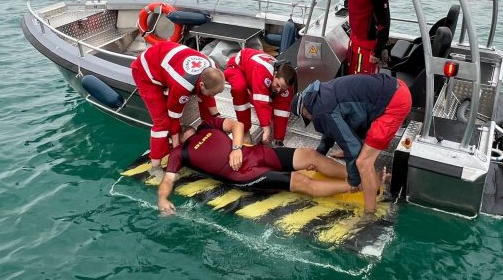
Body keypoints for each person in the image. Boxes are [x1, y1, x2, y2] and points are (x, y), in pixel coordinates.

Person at [157, 116, 351, 215]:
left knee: (310, 155)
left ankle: (354, 174)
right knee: (301, 181)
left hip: (254, 153)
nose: (184, 127)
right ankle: (355, 186)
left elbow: (237, 125)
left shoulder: (206, 125)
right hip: (243, 173)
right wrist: (163, 199)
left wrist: (236, 148)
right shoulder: (179, 153)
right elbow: (168, 180)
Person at [290, 74, 411, 214]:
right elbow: (330, 128)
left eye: (307, 117)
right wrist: (319, 154)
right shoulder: (319, 95)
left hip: (394, 101)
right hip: (394, 88)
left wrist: (353, 181)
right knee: (355, 147)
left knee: (362, 162)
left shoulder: (322, 110)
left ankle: (370, 215)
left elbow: (352, 146)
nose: (310, 119)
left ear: (304, 111)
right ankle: (372, 177)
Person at [131, 40, 226, 181]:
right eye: (213, 93)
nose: (213, 96)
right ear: (201, 84)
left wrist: (217, 120)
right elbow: (174, 118)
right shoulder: (182, 85)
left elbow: (208, 98)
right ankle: (155, 167)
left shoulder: (213, 69)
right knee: (162, 123)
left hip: (166, 58)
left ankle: (207, 132)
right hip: (145, 71)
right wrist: (177, 148)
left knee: (206, 99)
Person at [317, 0, 390, 75]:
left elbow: (384, 23)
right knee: (351, 73)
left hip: (369, 43)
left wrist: (377, 52)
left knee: (364, 80)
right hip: (354, 38)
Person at [223, 48, 297, 146]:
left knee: (274, 104)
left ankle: (252, 94)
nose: (279, 90)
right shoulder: (262, 71)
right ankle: (245, 130)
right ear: (275, 74)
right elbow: (261, 102)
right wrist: (266, 129)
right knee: (240, 89)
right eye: (278, 85)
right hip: (237, 66)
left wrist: (278, 140)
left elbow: (283, 112)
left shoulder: (286, 85)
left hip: (254, 72)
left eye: (282, 89)